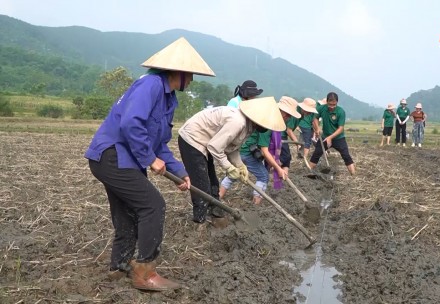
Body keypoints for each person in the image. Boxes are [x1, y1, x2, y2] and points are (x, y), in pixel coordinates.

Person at [85, 37, 215, 291]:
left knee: (128, 213)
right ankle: (144, 273)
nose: (192, 80)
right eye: (190, 74)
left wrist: (179, 171)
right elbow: (131, 124)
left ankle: (119, 267)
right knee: (153, 206)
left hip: (122, 159)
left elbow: (159, 143)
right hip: (112, 156)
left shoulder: (168, 99)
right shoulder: (151, 85)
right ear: (178, 71)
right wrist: (148, 159)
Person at [178, 97, 285, 220]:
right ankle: (200, 219)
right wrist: (229, 167)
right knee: (201, 183)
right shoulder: (238, 122)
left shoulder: (248, 126)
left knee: (213, 181)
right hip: (192, 139)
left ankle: (215, 212)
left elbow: (231, 148)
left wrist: (240, 165)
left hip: (205, 142)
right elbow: (215, 147)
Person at [220, 97, 300, 204]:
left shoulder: (268, 117)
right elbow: (265, 151)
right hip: (246, 152)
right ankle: (255, 206)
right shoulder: (268, 122)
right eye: (287, 114)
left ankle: (219, 195)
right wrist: (278, 168)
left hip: (240, 150)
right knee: (263, 176)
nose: (288, 118)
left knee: (235, 173)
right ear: (281, 111)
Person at [310, 92, 355, 175]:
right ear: (327, 102)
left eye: (334, 104)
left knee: (346, 156)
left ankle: (353, 174)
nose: (332, 107)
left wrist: (330, 137)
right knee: (316, 154)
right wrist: (317, 129)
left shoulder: (341, 112)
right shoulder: (321, 108)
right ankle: (309, 172)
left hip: (338, 138)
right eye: (330, 104)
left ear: (337, 102)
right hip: (324, 137)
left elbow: (340, 128)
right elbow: (315, 118)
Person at [280, 97, 315, 174]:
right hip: (280, 134)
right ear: (303, 108)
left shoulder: (302, 114)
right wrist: (297, 143)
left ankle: (283, 176)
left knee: (286, 158)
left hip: (283, 134)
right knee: (286, 157)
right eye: (308, 111)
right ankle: (273, 169)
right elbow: (289, 130)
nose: (309, 113)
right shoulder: (296, 114)